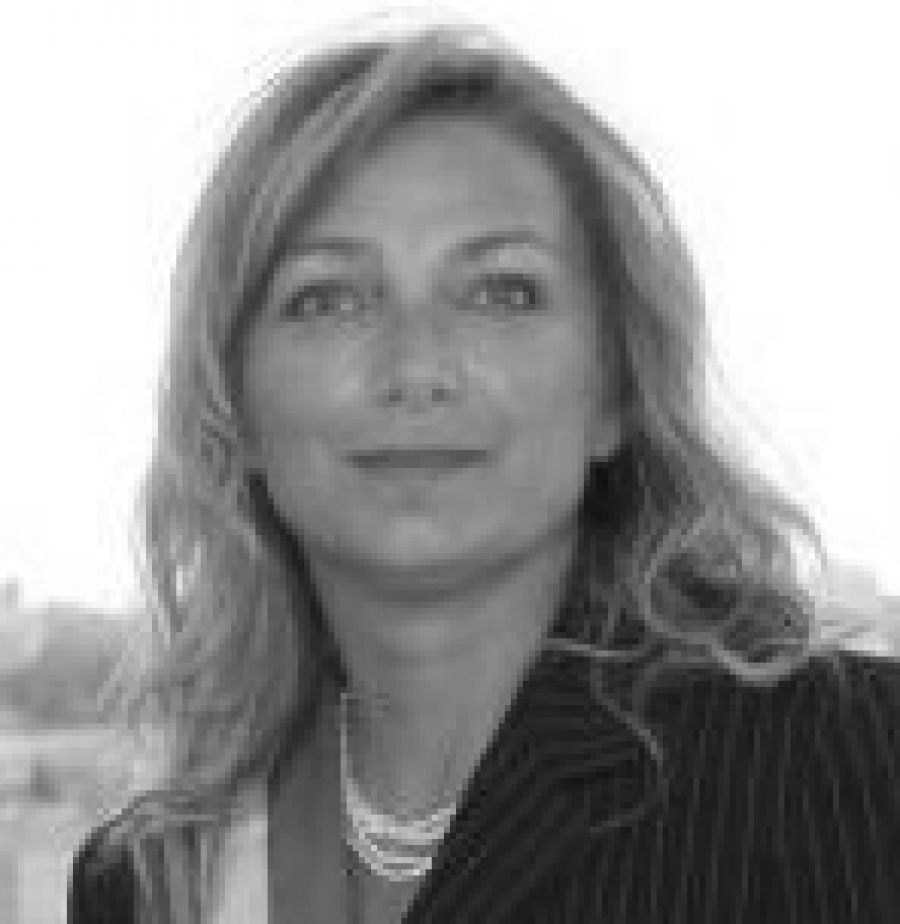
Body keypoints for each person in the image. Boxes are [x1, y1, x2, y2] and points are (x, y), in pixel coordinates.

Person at [67, 15, 900, 924]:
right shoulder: (147, 884)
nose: (417, 368)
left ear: (615, 389)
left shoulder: (849, 760)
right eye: (328, 298)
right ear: (235, 404)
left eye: (502, 292)